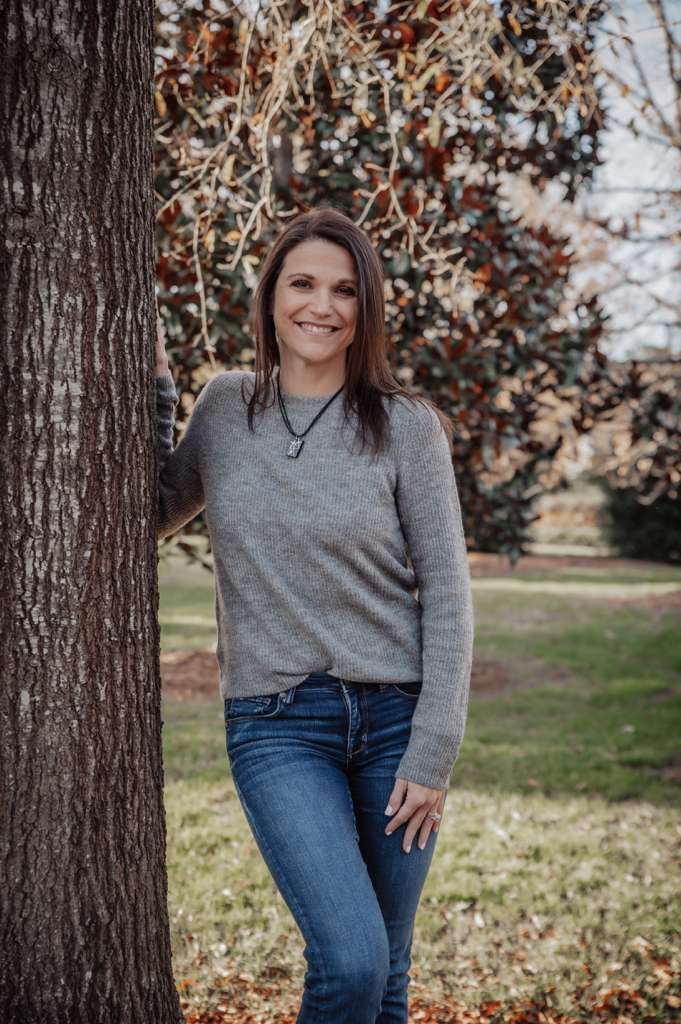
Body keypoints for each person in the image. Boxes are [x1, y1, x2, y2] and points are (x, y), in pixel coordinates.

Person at [155, 205, 475, 1024]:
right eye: (302, 283)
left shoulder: (406, 427)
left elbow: (446, 593)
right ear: (269, 297)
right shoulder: (227, 408)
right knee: (352, 962)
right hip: (276, 723)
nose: (320, 306)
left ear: (364, 309)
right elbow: (151, 512)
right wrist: (157, 393)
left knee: (388, 974)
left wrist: (433, 751)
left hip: (399, 725)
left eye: (343, 290)